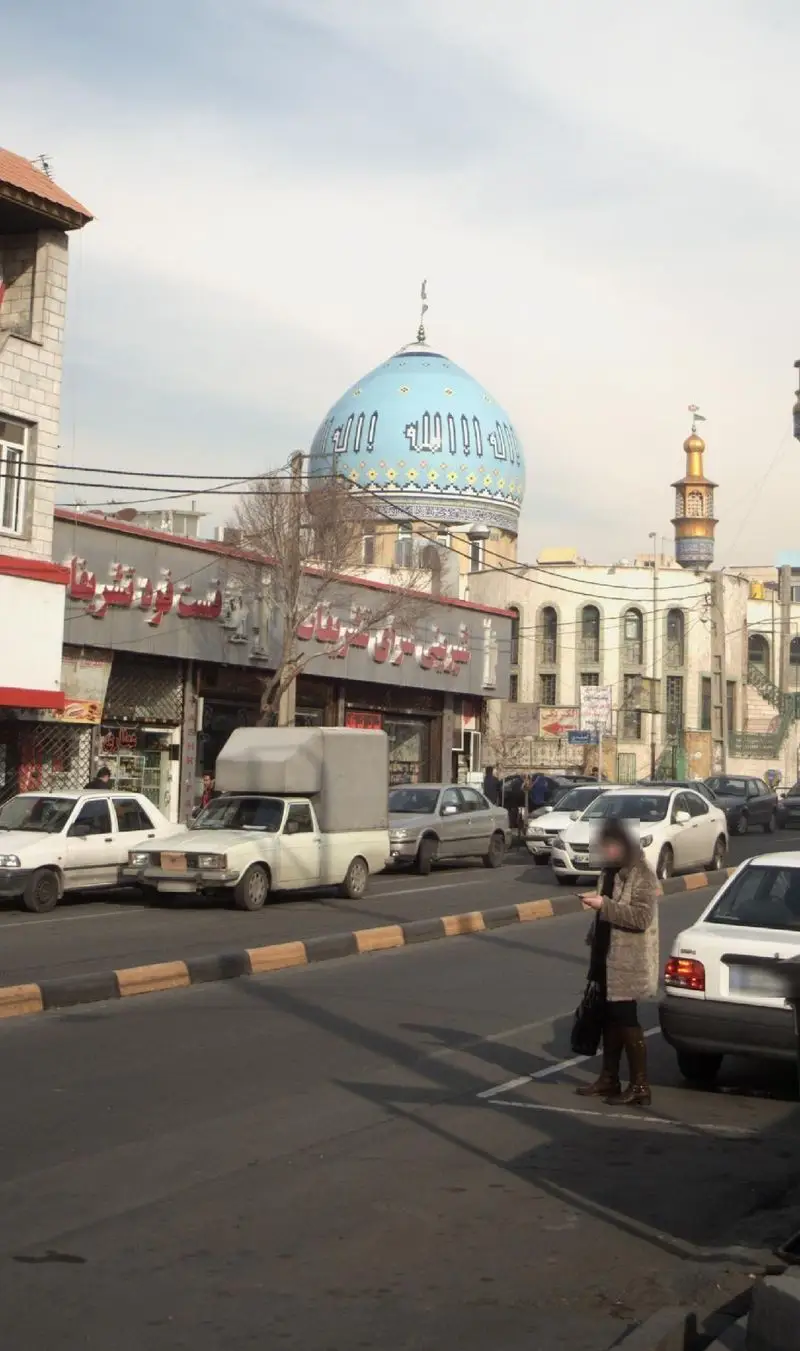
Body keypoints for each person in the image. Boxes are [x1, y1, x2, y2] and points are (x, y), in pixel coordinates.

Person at [577, 819, 659, 1108]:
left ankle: (640, 1086)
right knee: (609, 1019)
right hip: (604, 956)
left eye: (608, 843)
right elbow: (605, 910)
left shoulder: (642, 874)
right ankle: (609, 1078)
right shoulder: (608, 871)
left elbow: (641, 918)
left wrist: (604, 906)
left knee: (626, 1020)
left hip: (628, 962)